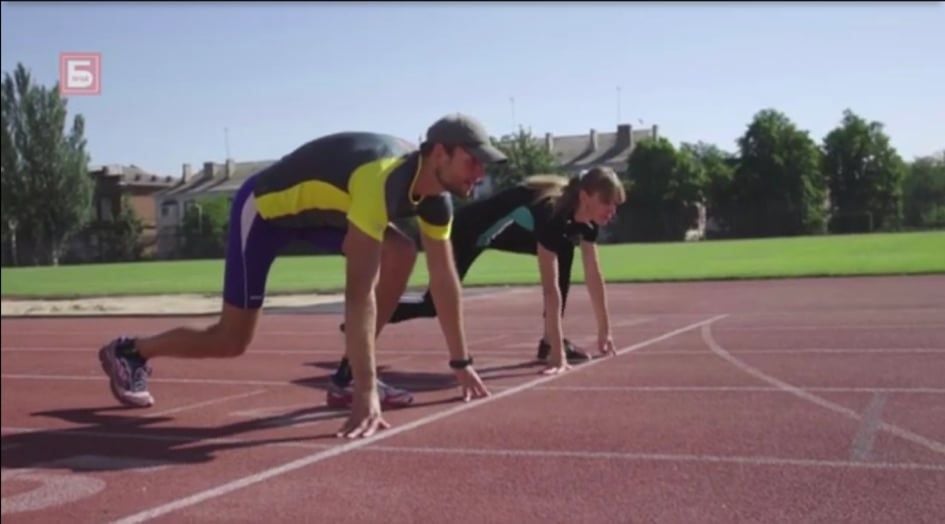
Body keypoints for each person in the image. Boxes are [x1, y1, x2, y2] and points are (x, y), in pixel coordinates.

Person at [97, 113, 508, 439]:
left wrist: (461, 362)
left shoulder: (436, 201)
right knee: (231, 340)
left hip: (324, 214)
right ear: (439, 153)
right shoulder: (379, 178)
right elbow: (359, 292)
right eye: (473, 161)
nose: (480, 173)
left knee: (400, 250)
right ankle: (132, 351)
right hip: (266, 212)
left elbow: (444, 278)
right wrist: (368, 393)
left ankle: (347, 375)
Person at [326, 166, 625, 401]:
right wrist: (560, 360)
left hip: (510, 233)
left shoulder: (584, 221)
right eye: (607, 204)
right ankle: (362, 323)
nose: (612, 212)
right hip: (467, 231)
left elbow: (593, 275)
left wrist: (605, 331)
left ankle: (550, 341)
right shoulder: (551, 211)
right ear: (585, 196)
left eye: (615, 206)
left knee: (565, 250)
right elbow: (550, 289)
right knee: (433, 306)